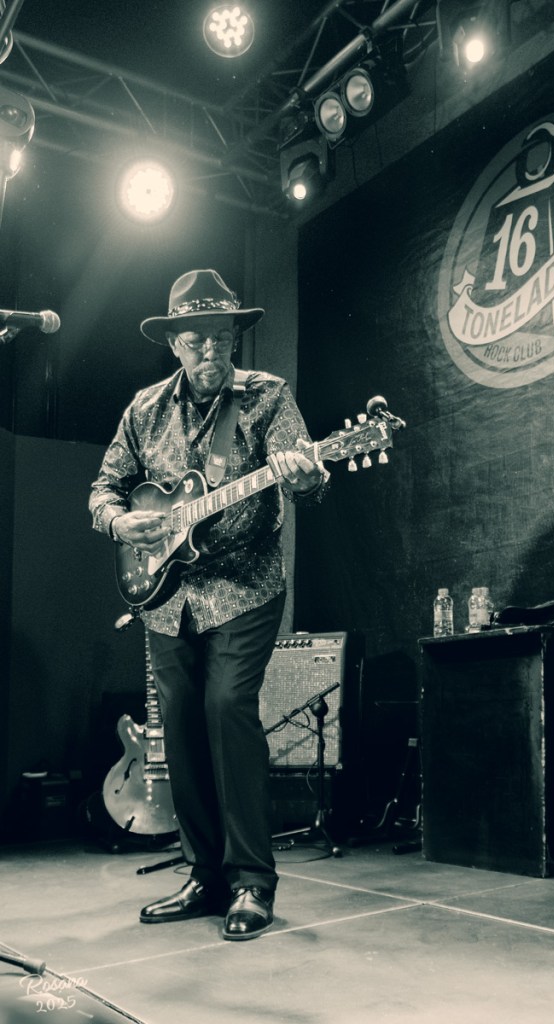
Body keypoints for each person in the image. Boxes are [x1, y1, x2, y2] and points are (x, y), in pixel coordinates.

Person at [89, 269, 329, 941]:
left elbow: (302, 474)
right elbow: (105, 488)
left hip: (245, 586)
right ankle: (204, 876)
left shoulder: (266, 396)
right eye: (196, 339)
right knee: (180, 727)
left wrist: (306, 473)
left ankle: (252, 880)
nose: (210, 350)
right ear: (175, 343)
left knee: (227, 708)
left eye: (221, 337)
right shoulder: (144, 410)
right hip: (166, 597)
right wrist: (120, 521)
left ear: (233, 337)